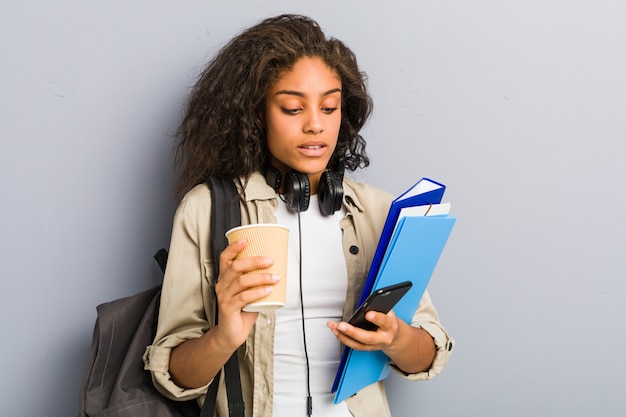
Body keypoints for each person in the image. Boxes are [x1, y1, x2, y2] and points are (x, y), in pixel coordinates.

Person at [144, 14, 454, 417]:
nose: (315, 126)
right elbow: (173, 376)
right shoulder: (206, 209)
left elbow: (427, 356)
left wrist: (396, 338)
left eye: (329, 107)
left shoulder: (379, 211)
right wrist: (225, 335)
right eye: (292, 108)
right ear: (257, 113)